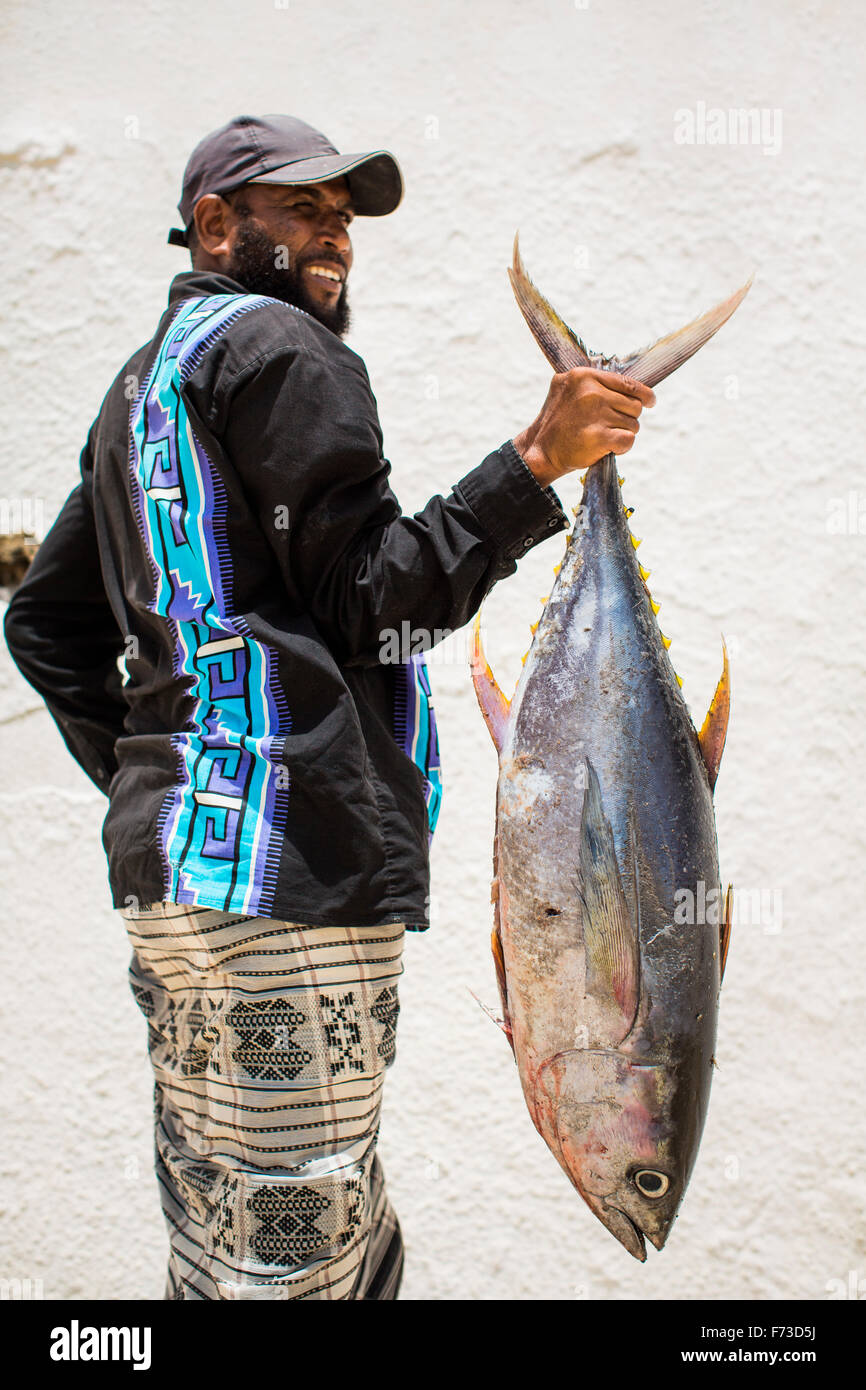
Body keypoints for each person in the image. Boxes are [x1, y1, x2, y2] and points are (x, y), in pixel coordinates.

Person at [2, 114, 654, 1300]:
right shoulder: (284, 350)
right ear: (213, 225)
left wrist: (177, 779)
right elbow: (370, 603)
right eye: (300, 209)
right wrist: (532, 462)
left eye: (342, 217)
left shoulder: (142, 387)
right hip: (291, 890)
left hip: (186, 899)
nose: (333, 236)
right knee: (299, 1249)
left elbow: (44, 626)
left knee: (231, 1226)